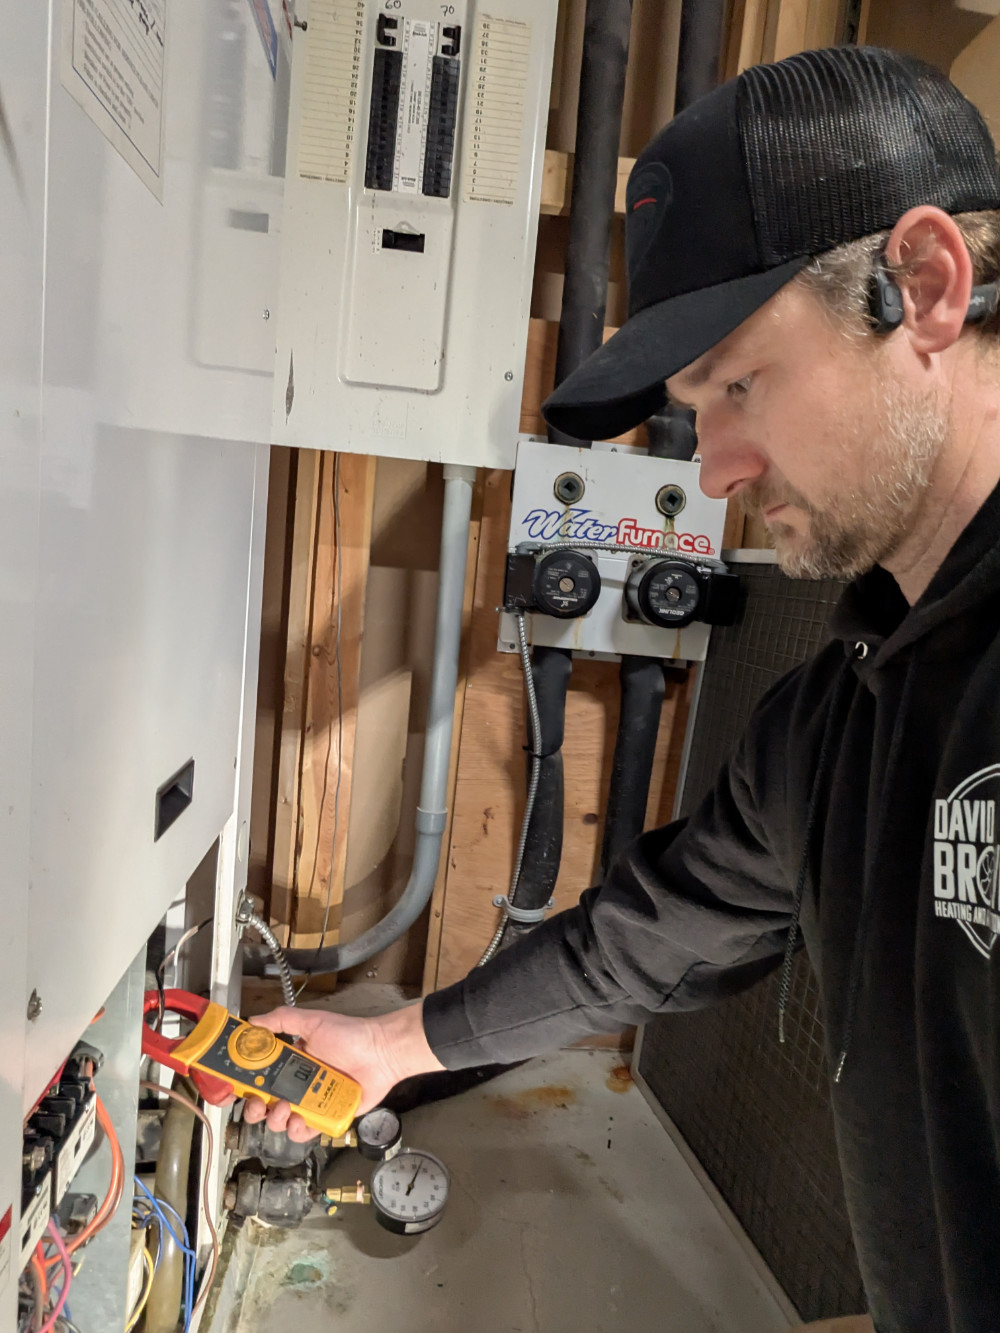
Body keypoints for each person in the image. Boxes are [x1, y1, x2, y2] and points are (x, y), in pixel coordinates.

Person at [245, 46, 1000, 1333]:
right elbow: (659, 933)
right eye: (698, 408)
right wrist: (391, 1046)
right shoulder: (845, 710)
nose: (714, 471)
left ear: (924, 284)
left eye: (738, 384)